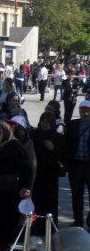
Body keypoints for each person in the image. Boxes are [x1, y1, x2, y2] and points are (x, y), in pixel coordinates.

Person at [0, 121, 33, 251]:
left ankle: (8, 242)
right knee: (1, 213)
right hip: (2, 186)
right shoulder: (3, 145)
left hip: (12, 188)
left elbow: (27, 167)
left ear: (7, 133)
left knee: (9, 214)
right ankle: (3, 240)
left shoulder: (14, 145)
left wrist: (26, 187)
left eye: (0, 132)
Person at [31, 112, 67, 234]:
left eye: (47, 121)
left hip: (50, 176)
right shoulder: (34, 135)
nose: (45, 124)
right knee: (35, 202)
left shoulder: (58, 138)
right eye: (43, 120)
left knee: (49, 204)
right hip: (36, 174)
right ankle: (34, 228)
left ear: (52, 123)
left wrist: (53, 148)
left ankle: (49, 229)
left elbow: (63, 156)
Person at [65, 100, 90, 228]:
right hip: (76, 166)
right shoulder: (72, 125)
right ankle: (78, 220)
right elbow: (66, 144)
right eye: (83, 110)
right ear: (79, 111)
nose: (85, 113)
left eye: (88, 110)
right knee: (76, 194)